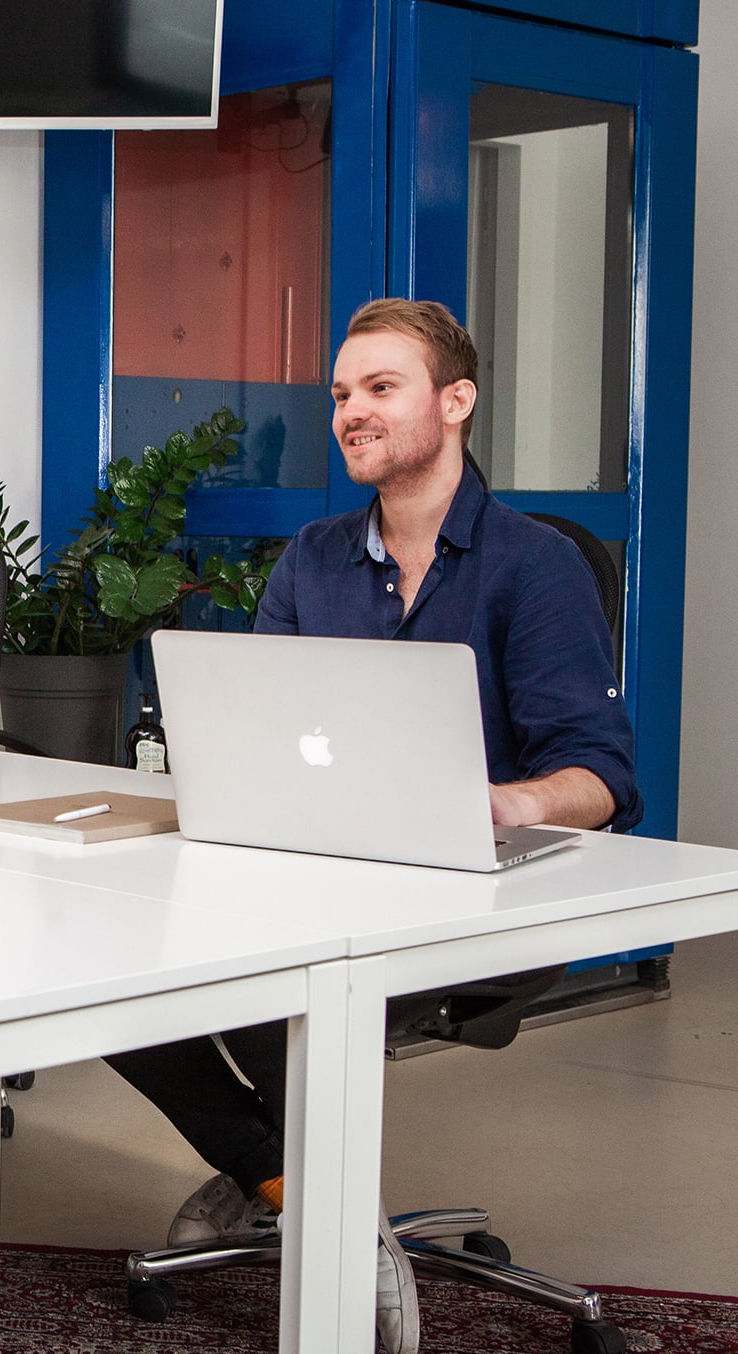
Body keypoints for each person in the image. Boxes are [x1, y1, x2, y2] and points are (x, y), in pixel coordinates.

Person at [106, 297, 639, 1354]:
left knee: (278, 978)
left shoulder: (532, 566)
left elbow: (605, 779)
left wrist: (505, 802)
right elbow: (260, 735)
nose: (351, 410)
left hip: (469, 898)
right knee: (110, 970)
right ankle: (297, 1186)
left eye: (380, 388)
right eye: (343, 393)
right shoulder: (311, 558)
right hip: (316, 875)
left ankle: (320, 1213)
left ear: (456, 400)